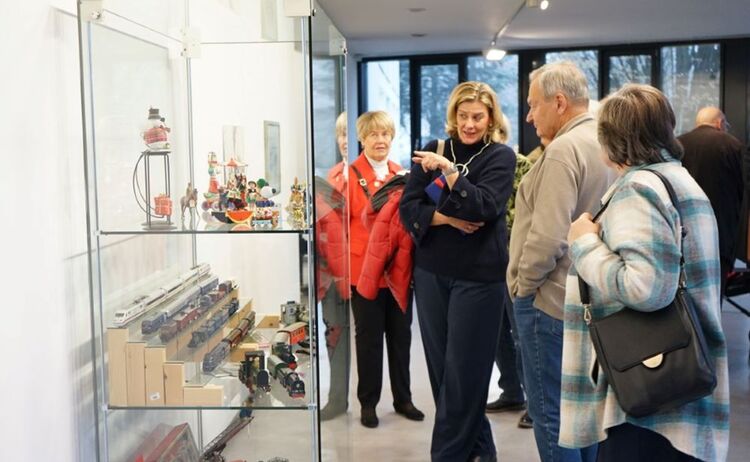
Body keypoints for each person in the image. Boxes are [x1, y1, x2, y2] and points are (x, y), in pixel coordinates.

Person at [561, 83, 730, 462]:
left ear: (611, 138)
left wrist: (584, 242)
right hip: (675, 385)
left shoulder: (639, 189)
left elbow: (647, 288)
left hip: (646, 398)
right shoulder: (679, 181)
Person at [400, 81, 516, 462]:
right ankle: (482, 453)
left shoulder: (500, 156)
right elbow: (408, 210)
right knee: (442, 375)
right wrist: (448, 218)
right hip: (433, 273)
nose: (469, 124)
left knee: (465, 375)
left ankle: (446, 457)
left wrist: (450, 173)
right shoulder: (432, 148)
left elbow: (484, 207)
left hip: (479, 279)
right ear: (454, 115)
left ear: (490, 118)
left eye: (477, 117)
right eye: (463, 116)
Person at [507, 61, 614, 462]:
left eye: (534, 105)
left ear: (559, 101)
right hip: (589, 297)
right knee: (584, 417)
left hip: (549, 303)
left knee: (551, 416)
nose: (529, 115)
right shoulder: (604, 142)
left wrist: (523, 285)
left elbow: (549, 236)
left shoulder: (563, 151)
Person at [348, 110, 423, 429]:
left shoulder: (402, 174)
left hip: (397, 273)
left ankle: (403, 399)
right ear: (362, 139)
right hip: (363, 273)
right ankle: (368, 403)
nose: (380, 140)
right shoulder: (348, 175)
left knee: (401, 338)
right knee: (368, 341)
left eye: (385, 134)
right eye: (374, 134)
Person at [485, 116, 532, 430]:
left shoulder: (522, 165)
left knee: (522, 333)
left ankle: (533, 399)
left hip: (515, 257)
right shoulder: (480, 164)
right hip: (486, 260)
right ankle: (511, 391)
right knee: (497, 331)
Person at [678, 107, 744, 296]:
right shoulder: (733, 145)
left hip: (683, 230)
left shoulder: (678, 144)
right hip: (720, 231)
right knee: (715, 292)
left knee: (685, 292)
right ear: (720, 123)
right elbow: (742, 189)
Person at [319, 111, 351, 421]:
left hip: (367, 270)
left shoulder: (378, 177)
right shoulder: (330, 177)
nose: (345, 141)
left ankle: (378, 401)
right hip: (333, 272)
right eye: (341, 134)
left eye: (351, 134)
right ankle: (337, 398)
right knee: (335, 334)